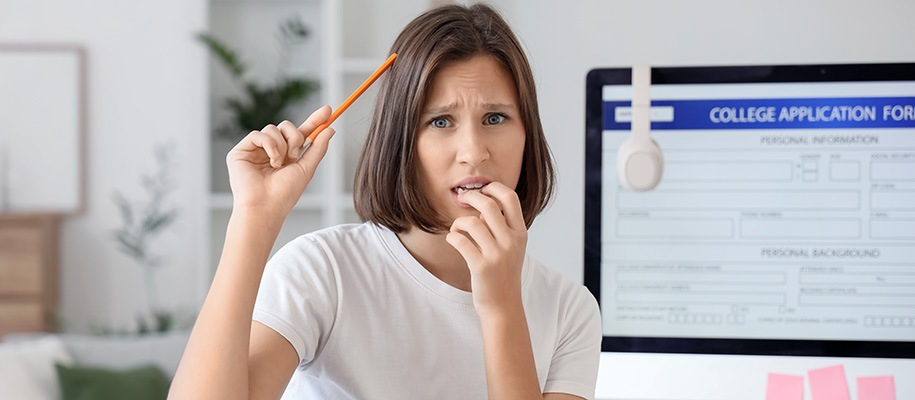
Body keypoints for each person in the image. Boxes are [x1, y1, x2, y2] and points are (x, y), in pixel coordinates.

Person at [169, 3, 600, 400]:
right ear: (401, 141)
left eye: (495, 118)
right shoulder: (323, 272)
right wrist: (253, 218)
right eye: (441, 121)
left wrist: (503, 305)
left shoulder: (568, 310)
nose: (473, 151)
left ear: (528, 135)